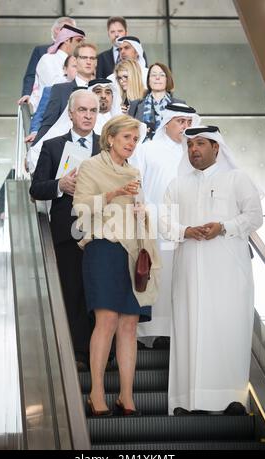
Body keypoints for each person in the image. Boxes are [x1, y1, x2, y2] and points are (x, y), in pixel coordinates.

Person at [160, 126, 263, 416]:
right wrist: (186, 230)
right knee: (189, 329)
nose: (194, 149)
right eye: (190, 144)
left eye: (201, 144)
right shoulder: (176, 184)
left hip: (229, 273)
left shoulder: (237, 179)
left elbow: (254, 216)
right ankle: (186, 400)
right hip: (189, 273)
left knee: (229, 330)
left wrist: (224, 227)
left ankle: (231, 398)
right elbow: (164, 223)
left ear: (216, 148)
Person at [73, 115, 160, 415]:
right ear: (110, 138)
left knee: (129, 325)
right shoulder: (90, 167)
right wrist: (114, 194)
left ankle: (126, 395)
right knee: (107, 320)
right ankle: (96, 394)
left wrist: (141, 212)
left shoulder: (135, 171)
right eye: (126, 138)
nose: (131, 144)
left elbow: (138, 216)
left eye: (135, 140)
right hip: (103, 249)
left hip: (133, 253)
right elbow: (80, 208)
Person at [29, 90, 101, 370]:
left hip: (101, 230)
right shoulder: (53, 146)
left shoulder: (106, 146)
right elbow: (36, 188)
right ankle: (79, 353)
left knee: (99, 292)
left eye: (92, 111)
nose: (87, 116)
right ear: (70, 113)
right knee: (72, 291)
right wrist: (61, 185)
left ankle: (102, 353)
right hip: (67, 231)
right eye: (82, 110)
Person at [133, 103, 200, 348]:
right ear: (167, 122)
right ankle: (144, 333)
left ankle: (169, 334)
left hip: (185, 228)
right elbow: (136, 184)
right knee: (153, 277)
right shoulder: (148, 149)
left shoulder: (194, 152)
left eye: (189, 122)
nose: (185, 127)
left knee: (179, 279)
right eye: (180, 121)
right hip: (154, 225)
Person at [32, 42, 97, 145]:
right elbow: (48, 124)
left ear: (96, 62)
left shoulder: (103, 90)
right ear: (76, 60)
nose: (88, 62)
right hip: (65, 150)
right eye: (84, 58)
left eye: (92, 58)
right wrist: (34, 150)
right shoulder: (60, 90)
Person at [18, 16, 76, 104]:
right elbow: (31, 75)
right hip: (44, 100)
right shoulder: (42, 51)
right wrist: (27, 94)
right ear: (56, 30)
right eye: (65, 30)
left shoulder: (76, 55)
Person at [29, 25, 85, 112]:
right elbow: (53, 86)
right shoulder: (47, 59)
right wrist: (74, 78)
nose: (81, 45)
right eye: (78, 41)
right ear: (66, 40)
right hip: (47, 113)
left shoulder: (79, 62)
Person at [129, 62, 184, 140]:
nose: (157, 78)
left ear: (167, 79)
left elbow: (183, 133)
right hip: (143, 150)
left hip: (171, 149)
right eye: (153, 75)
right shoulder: (135, 105)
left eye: (162, 75)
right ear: (148, 80)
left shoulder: (179, 105)